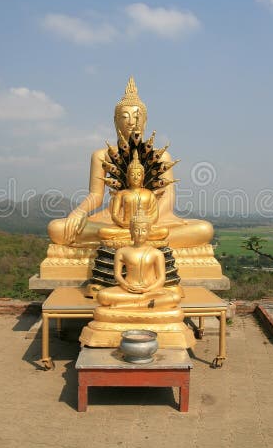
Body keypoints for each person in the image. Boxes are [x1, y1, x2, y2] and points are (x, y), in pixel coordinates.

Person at [46, 77, 213, 248]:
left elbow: (168, 197)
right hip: (114, 220)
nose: (131, 122)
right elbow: (96, 196)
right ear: (115, 120)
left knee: (204, 229)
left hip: (154, 220)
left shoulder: (162, 157)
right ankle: (138, 241)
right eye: (125, 117)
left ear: (145, 121)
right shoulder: (101, 156)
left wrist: (146, 222)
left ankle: (117, 243)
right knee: (57, 228)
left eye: (137, 117)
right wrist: (79, 211)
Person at [96, 213, 181, 309]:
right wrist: (127, 286)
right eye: (136, 230)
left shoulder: (156, 253)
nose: (140, 234)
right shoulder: (122, 251)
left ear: (149, 232)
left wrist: (148, 290)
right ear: (131, 232)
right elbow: (117, 275)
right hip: (128, 290)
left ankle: (133, 305)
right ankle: (147, 303)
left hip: (151, 291)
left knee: (175, 297)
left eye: (144, 230)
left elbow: (161, 278)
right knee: (102, 296)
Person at [98, 150, 168, 242]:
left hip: (144, 229)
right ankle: (134, 238)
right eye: (132, 174)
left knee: (163, 231)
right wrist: (123, 224)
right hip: (125, 228)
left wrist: (144, 224)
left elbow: (154, 216)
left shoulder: (149, 194)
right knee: (103, 232)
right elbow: (114, 215)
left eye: (139, 174)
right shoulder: (121, 194)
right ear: (127, 177)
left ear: (143, 177)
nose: (135, 177)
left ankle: (128, 239)